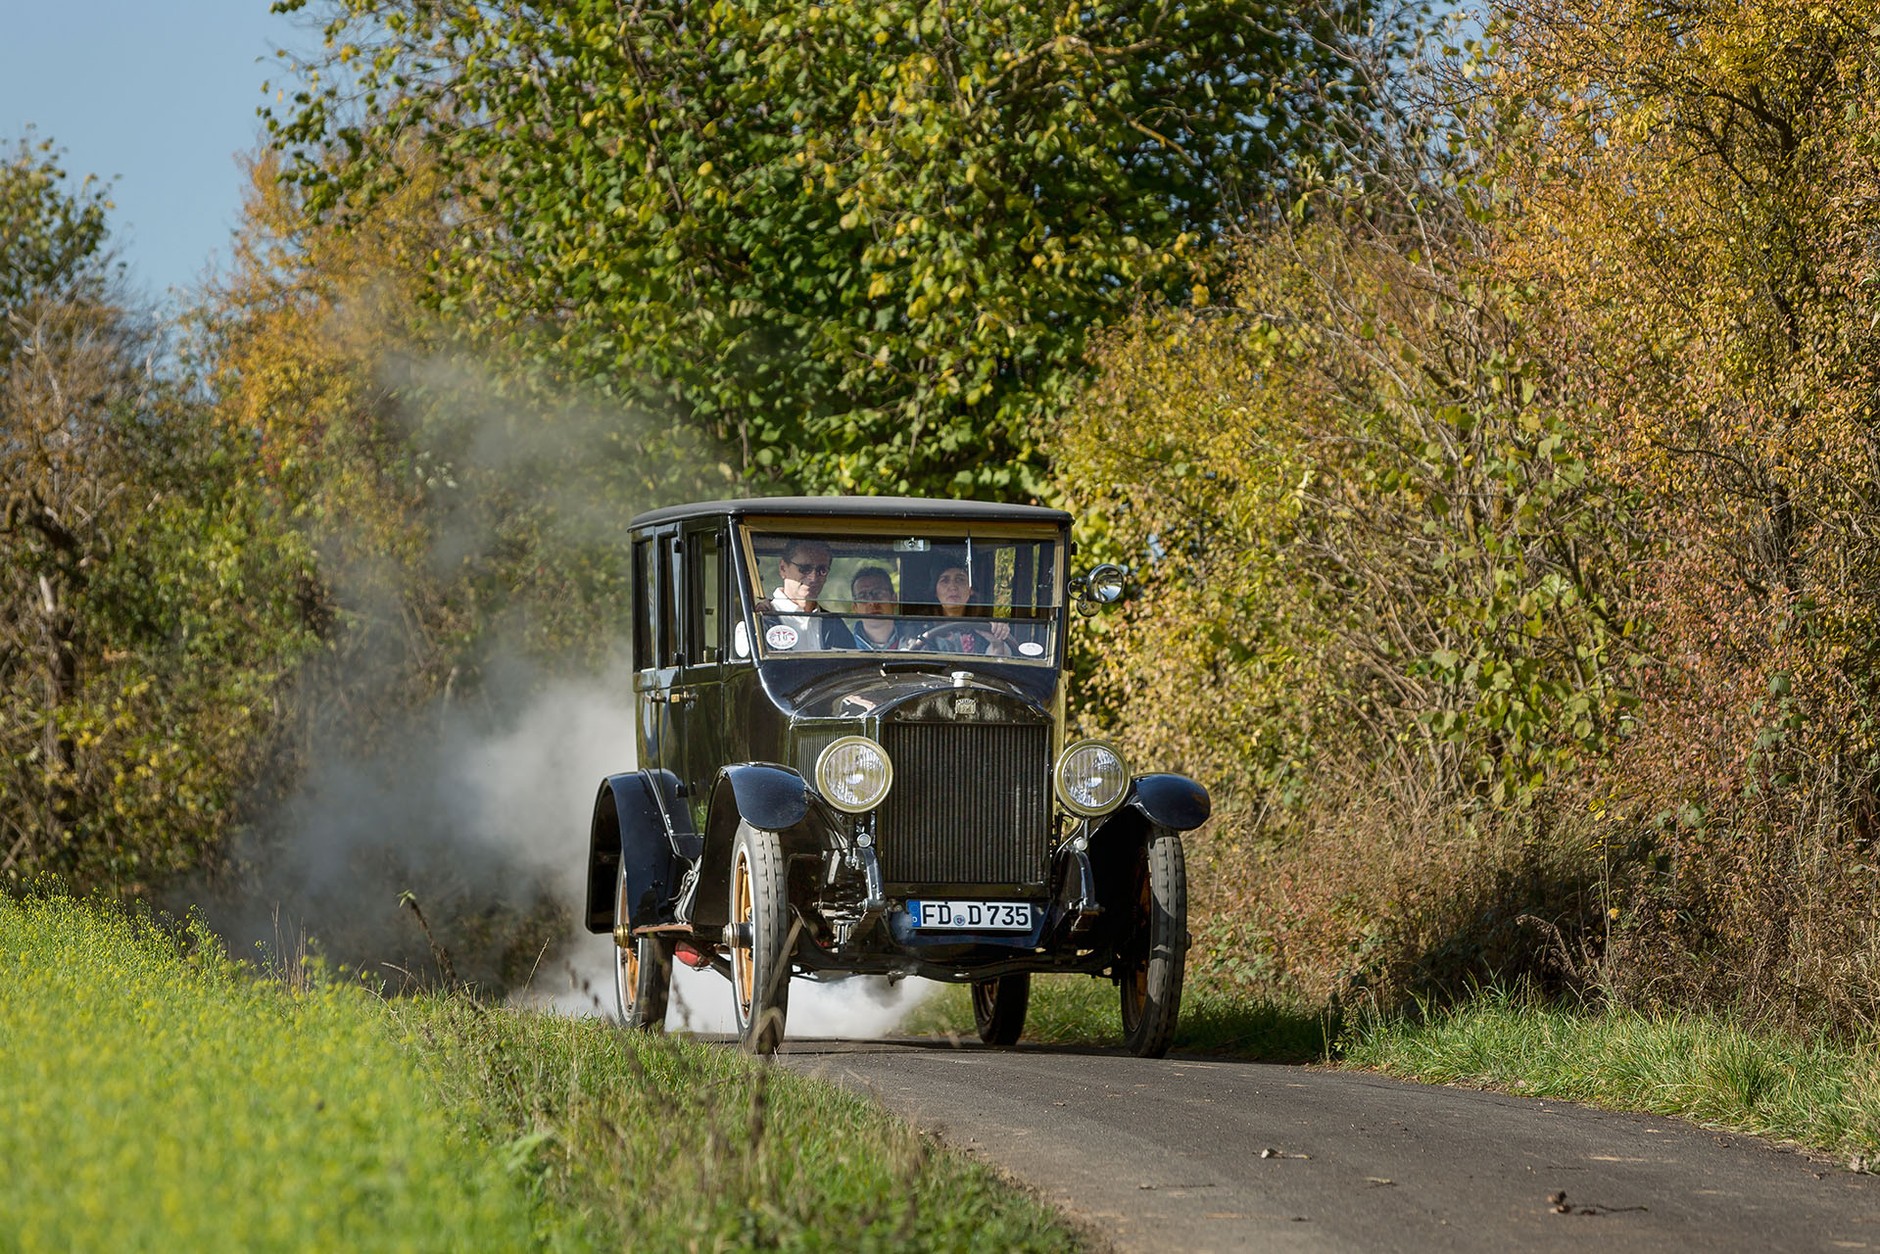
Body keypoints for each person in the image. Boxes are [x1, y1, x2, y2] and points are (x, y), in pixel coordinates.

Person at [747, 538, 855, 652]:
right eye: (804, 568)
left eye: (821, 570)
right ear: (783, 568)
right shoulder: (760, 620)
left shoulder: (835, 624)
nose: (813, 578)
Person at [913, 561, 1012, 655]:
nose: (953, 587)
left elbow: (996, 668)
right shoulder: (918, 628)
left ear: (971, 590)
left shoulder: (985, 627)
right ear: (935, 591)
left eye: (960, 580)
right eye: (945, 580)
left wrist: (997, 641)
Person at [846, 566, 907, 651]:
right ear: (855, 607)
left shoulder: (916, 642)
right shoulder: (844, 645)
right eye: (863, 596)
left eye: (878, 593)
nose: (872, 602)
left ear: (894, 599)